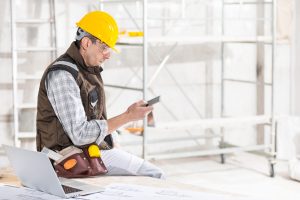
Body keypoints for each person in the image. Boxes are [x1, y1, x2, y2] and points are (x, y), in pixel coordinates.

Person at [36, 10, 165, 179]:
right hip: (69, 157)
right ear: (87, 43)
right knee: (156, 174)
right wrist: (128, 116)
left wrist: (114, 141)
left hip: (90, 150)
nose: (108, 55)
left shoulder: (87, 69)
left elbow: (95, 117)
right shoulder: (63, 75)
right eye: (104, 47)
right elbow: (80, 134)